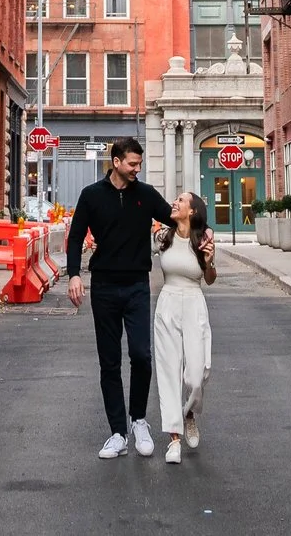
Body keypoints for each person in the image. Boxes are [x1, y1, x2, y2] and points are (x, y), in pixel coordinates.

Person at [65, 137, 172, 460]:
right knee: (109, 361)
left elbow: (175, 218)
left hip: (138, 285)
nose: (137, 169)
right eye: (132, 164)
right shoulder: (91, 195)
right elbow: (75, 238)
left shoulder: (146, 194)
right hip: (104, 288)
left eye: (140, 164)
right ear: (116, 162)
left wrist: (202, 228)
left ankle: (138, 420)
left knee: (141, 355)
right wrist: (74, 275)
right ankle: (118, 433)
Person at [152, 190, 216, 463]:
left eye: (181, 200)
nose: (174, 202)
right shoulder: (163, 238)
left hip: (194, 304)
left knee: (197, 374)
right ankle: (174, 439)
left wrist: (209, 263)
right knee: (168, 372)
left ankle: (189, 412)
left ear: (192, 211)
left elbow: (210, 279)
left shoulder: (203, 240)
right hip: (167, 303)